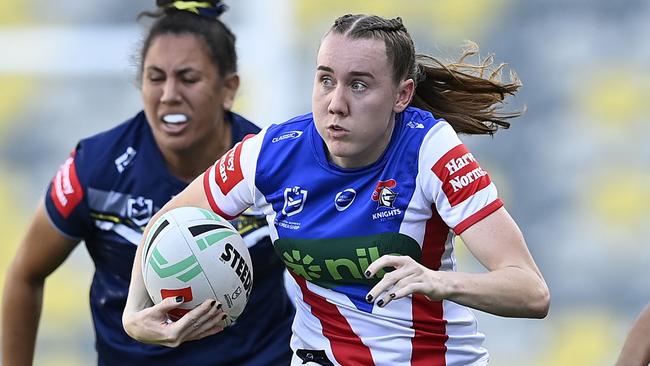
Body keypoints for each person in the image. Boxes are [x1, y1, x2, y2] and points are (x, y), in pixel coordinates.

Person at [123, 13, 550, 365]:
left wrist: (437, 281)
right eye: (326, 80)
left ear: (402, 95)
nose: (336, 103)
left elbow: (530, 291)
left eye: (359, 85)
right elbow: (168, 221)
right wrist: (133, 315)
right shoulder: (272, 153)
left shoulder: (430, 150)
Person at [1, 1, 294, 365]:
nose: (169, 93)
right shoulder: (95, 167)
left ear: (228, 89)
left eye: (188, 78)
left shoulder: (273, 166)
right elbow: (25, 274)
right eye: (155, 77)